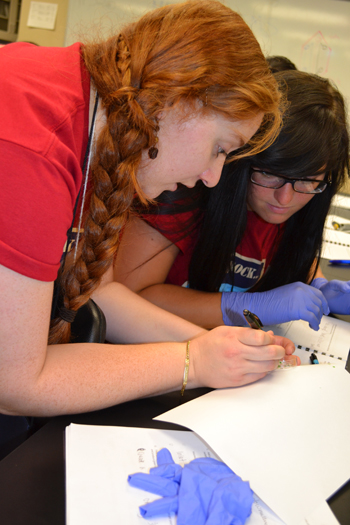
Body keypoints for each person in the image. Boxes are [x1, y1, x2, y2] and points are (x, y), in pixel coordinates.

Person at [0, 0, 295, 430]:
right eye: (221, 148)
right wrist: (192, 363)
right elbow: (15, 383)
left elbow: (100, 291)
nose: (213, 178)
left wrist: (210, 343)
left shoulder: (95, 125)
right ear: (177, 99)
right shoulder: (35, 144)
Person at [114, 70, 350, 330]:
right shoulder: (183, 188)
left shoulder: (303, 200)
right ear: (245, 155)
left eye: (307, 180)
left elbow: (286, 253)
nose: (285, 198)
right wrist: (244, 307)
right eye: (270, 174)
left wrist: (318, 284)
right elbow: (126, 298)